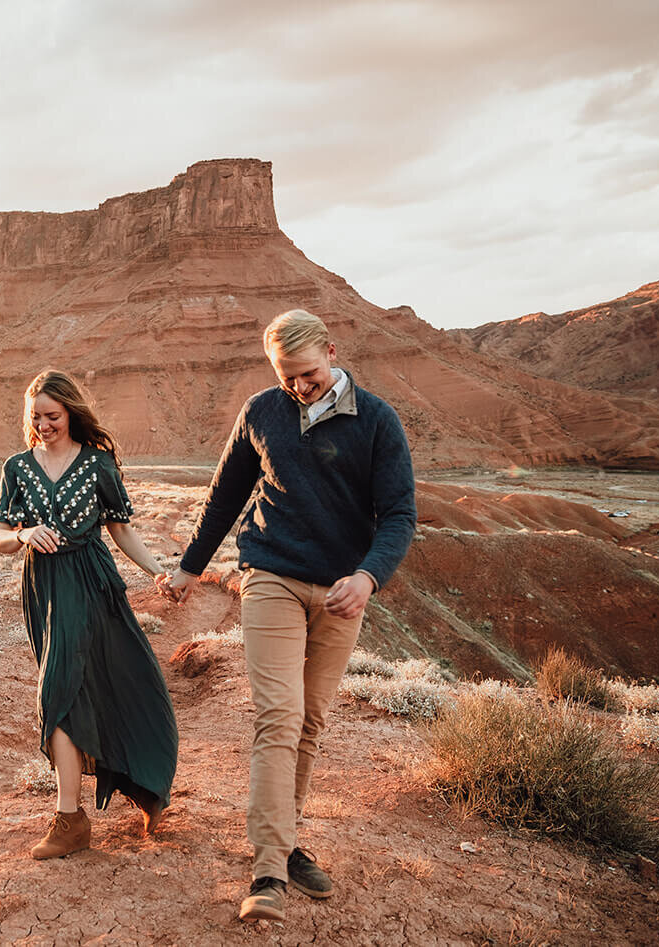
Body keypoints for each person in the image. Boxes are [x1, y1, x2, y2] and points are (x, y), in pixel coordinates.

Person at [160, 309, 416, 923]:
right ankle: (269, 867)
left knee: (311, 720)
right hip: (270, 575)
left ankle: (289, 837)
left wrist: (367, 575)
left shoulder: (377, 420)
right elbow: (226, 494)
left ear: (331, 351)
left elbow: (400, 514)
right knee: (280, 715)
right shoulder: (262, 411)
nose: (298, 387)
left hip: (340, 589)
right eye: (286, 377)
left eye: (307, 373)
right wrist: (191, 566)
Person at [0, 369, 179, 860]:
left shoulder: (98, 465)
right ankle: (132, 791)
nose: (44, 425)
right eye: (36, 417)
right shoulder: (16, 468)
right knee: (72, 692)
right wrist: (25, 534)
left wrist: (159, 571)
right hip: (44, 589)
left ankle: (71, 819)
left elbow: (122, 531)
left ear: (70, 412)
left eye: (52, 416)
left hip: (91, 584)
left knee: (64, 692)